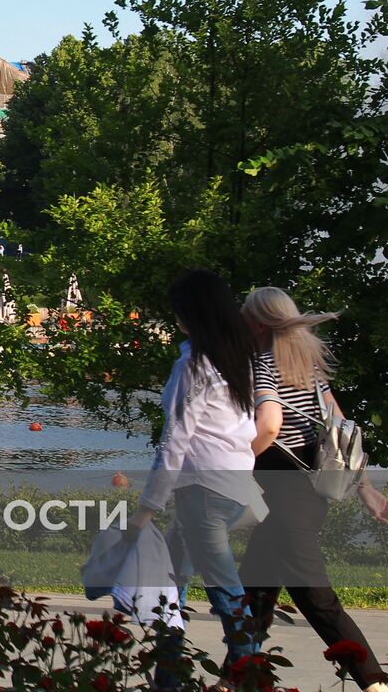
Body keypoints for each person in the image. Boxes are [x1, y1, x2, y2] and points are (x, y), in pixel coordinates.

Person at [239, 287, 388, 692]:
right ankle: (233, 678)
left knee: (317, 600)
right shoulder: (308, 366)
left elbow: (269, 426)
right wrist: (365, 489)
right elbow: (340, 433)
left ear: (257, 323)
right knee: (255, 590)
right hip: (306, 494)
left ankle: (374, 684)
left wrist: (234, 466)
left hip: (285, 495)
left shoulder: (263, 363)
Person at [126, 270, 264, 687]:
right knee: (171, 588)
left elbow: (175, 441)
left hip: (204, 492)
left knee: (227, 596)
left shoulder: (195, 364)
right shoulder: (238, 358)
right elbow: (249, 429)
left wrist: (147, 508)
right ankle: (166, 679)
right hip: (233, 485)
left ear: (188, 315)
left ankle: (248, 677)